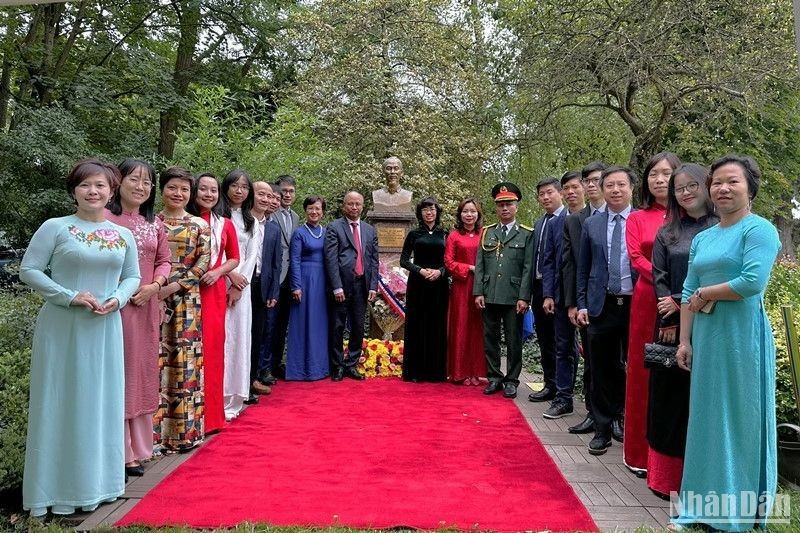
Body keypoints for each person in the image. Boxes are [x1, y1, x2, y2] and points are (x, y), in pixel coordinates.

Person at [21, 159, 140, 516]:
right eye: (86, 185)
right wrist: (69, 295)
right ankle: (53, 492)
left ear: (111, 191)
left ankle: (100, 486)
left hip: (104, 327)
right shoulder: (55, 227)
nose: (93, 192)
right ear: (74, 190)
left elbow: (132, 276)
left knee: (100, 403)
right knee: (60, 402)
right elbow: (29, 269)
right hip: (63, 327)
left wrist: (117, 299)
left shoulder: (123, 234)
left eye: (101, 186)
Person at [673, 156, 781, 531]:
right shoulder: (704, 236)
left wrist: (707, 293)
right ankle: (700, 508)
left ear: (750, 187)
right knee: (706, 419)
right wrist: (684, 341)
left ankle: (736, 512)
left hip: (741, 340)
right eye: (716, 182)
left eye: (732, 182)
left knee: (740, 419)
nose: (722, 189)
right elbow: (687, 291)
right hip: (707, 337)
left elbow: (752, 282)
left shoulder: (760, 230)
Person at [648, 163, 716, 498]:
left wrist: (682, 301)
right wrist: (670, 304)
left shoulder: (721, 226)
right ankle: (666, 478)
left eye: (692, 185)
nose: (686, 193)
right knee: (669, 399)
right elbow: (658, 273)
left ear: (707, 185)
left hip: (710, 321)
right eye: (679, 188)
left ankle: (702, 474)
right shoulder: (668, 232)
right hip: (670, 325)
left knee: (703, 400)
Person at [106, 159, 171, 478]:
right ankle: (120, 451)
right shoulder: (104, 218)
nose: (141, 187)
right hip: (113, 309)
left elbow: (164, 261)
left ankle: (141, 447)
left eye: (147, 182)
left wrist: (155, 287)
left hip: (146, 307)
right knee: (119, 374)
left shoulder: (154, 223)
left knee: (143, 373)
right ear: (118, 182)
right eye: (134, 179)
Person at [623, 152, 680, 476]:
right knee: (645, 372)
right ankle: (638, 454)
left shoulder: (690, 216)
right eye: (653, 174)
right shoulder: (637, 217)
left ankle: (671, 457)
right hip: (648, 301)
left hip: (684, 301)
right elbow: (635, 257)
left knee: (674, 373)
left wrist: (680, 292)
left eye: (666, 173)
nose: (659, 180)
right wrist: (665, 285)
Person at [576, 166, 637, 455]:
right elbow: (583, 267)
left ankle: (623, 419)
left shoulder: (642, 220)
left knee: (632, 367)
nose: (615, 190)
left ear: (631, 188)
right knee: (600, 368)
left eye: (620, 184)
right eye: (609, 185)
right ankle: (602, 427)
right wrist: (582, 303)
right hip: (601, 307)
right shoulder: (592, 224)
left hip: (636, 304)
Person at [154, 167, 210, 452]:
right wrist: (155, 288)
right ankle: (153, 438)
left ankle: (186, 434)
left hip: (186, 300)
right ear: (162, 189)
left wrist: (175, 286)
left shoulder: (199, 225)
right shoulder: (152, 223)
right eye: (173, 187)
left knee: (185, 364)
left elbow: (203, 262)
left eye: (184, 189)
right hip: (152, 297)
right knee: (155, 362)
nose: (178, 194)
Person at [188, 173, 240, 429]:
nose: (208, 194)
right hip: (185, 289)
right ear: (195, 191)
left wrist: (218, 272)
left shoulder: (224, 224)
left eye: (213, 190)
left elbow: (234, 258)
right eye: (203, 189)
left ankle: (211, 418)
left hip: (213, 290)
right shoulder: (183, 220)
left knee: (211, 350)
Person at [474, 182, 533, 399]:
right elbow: (480, 265)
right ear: (496, 208)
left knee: (513, 339)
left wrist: (524, 297)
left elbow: (528, 268)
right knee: (490, 338)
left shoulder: (526, 234)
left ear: (516, 206)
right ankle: (494, 377)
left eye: (509, 204)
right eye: (500, 205)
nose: (505, 209)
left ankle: (512, 380)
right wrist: (478, 292)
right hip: (489, 294)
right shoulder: (487, 232)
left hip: (513, 296)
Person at [562, 161, 606, 434]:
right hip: (587, 303)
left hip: (619, 301)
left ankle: (615, 416)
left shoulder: (629, 217)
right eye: (587, 180)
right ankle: (593, 412)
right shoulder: (576, 220)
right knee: (591, 360)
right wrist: (573, 303)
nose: (591, 185)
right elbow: (571, 265)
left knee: (618, 362)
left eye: (596, 180)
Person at [539, 171, 584, 418]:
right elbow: (549, 261)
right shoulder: (556, 222)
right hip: (560, 295)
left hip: (590, 296)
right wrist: (548, 294)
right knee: (562, 346)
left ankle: (598, 406)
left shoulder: (594, 218)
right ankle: (563, 397)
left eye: (575, 187)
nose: (570, 192)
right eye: (566, 188)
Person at [324, 191, 379, 381]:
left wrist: (373, 286)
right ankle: (337, 365)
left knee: (357, 327)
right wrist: (336, 286)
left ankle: (351, 364)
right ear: (343, 206)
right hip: (341, 286)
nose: (354, 207)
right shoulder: (334, 227)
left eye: (357, 204)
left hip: (362, 285)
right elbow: (330, 259)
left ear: (363, 207)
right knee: (337, 326)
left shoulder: (369, 230)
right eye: (350, 204)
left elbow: (373, 260)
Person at [220, 170, 257, 420]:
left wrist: (238, 283)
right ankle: (215, 395)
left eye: (244, 187)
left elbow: (251, 255)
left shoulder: (250, 221)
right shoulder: (216, 216)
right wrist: (229, 277)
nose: (239, 191)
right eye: (234, 185)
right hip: (217, 281)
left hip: (242, 288)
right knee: (220, 338)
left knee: (239, 339)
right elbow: (215, 250)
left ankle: (234, 397)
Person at [401, 196, 449, 382]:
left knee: (436, 325)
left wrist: (440, 272)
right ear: (420, 213)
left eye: (432, 209)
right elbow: (404, 260)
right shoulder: (414, 234)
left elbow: (450, 261)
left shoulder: (445, 234)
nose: (429, 212)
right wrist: (420, 270)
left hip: (439, 285)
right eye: (425, 209)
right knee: (417, 325)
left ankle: (435, 372)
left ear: (437, 212)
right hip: (418, 284)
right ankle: (415, 372)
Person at [285, 196, 330, 380]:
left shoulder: (326, 232)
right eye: (311, 208)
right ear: (305, 211)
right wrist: (296, 285)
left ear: (323, 212)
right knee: (303, 324)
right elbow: (294, 260)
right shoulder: (299, 233)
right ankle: (300, 369)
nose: (314, 212)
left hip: (322, 282)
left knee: (319, 324)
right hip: (304, 280)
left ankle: (319, 368)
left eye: (318, 209)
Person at [528, 177, 564, 403]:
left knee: (562, 341)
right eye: (541, 194)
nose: (545, 197)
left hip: (561, 290)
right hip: (539, 287)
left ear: (559, 193)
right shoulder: (540, 223)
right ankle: (549, 383)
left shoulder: (570, 219)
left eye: (549, 192)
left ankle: (563, 389)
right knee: (544, 339)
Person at [444, 198, 486, 384]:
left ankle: (476, 371)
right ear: (460, 215)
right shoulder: (453, 236)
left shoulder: (485, 234)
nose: (469, 215)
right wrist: (469, 268)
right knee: (460, 327)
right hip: (462, 287)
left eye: (473, 211)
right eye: (465, 211)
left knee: (478, 328)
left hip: (481, 286)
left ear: (478, 215)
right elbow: (448, 262)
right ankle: (459, 372)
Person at [251, 182, 283, 393]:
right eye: (261, 194)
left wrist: (274, 291)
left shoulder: (273, 228)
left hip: (264, 286)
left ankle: (253, 378)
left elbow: (276, 262)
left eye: (270, 196)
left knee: (259, 333)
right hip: (242, 283)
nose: (266, 199)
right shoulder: (243, 222)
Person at [272, 175, 299, 378]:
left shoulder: (296, 217)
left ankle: (277, 362)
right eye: (284, 191)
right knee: (270, 323)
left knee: (283, 323)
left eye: (291, 191)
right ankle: (265, 367)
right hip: (275, 274)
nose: (287, 195)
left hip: (292, 277)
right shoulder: (270, 213)